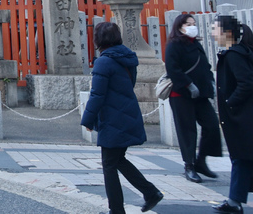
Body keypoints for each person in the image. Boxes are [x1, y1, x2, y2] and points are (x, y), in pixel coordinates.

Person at [80, 22, 163, 214]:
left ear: (99, 40)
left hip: (113, 118)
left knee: (109, 165)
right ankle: (150, 192)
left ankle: (117, 210)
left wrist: (88, 120)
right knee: (118, 160)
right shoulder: (127, 57)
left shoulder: (103, 61)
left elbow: (97, 94)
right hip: (127, 113)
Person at [164, 12, 220, 182]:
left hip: (201, 93)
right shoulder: (174, 45)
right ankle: (189, 165)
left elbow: (205, 65)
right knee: (187, 130)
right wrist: (188, 84)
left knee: (211, 125)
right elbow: (173, 69)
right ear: (180, 27)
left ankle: (201, 160)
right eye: (188, 24)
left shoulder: (196, 44)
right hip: (181, 93)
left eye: (193, 23)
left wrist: (210, 82)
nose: (191, 26)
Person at [211, 14, 253, 214]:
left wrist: (230, 103)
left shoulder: (234, 55)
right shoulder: (235, 53)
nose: (213, 32)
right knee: (242, 158)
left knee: (241, 156)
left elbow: (246, 83)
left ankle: (234, 201)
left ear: (227, 33)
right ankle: (234, 201)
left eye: (215, 28)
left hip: (242, 117)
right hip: (242, 116)